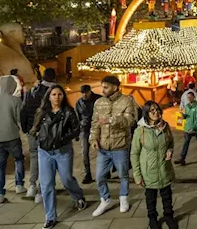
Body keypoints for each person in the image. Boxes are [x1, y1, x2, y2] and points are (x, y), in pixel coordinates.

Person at [29, 85, 86, 229]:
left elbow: (76, 130)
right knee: (46, 184)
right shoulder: (41, 112)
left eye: (59, 94)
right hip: (45, 152)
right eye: (54, 94)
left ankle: (78, 196)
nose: (56, 97)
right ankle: (50, 217)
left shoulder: (68, 112)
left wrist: (61, 139)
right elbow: (34, 129)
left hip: (63, 151)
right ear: (49, 96)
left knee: (66, 179)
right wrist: (39, 138)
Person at [90, 76, 138, 217]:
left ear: (115, 87)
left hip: (120, 146)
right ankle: (105, 199)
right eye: (102, 86)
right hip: (103, 148)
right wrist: (93, 139)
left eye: (106, 87)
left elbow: (131, 120)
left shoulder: (127, 101)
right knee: (99, 177)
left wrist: (112, 120)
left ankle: (124, 198)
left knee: (123, 174)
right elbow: (95, 123)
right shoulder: (99, 102)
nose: (102, 89)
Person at [131, 101, 178, 229]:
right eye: (152, 111)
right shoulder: (140, 131)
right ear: (146, 113)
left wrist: (169, 151)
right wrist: (137, 175)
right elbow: (134, 153)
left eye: (157, 109)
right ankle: (152, 218)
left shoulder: (165, 126)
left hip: (164, 168)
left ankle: (169, 215)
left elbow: (170, 143)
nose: (156, 112)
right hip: (148, 170)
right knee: (150, 197)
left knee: (167, 195)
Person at [0, 75, 26, 204]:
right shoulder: (15, 100)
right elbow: (20, 119)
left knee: (0, 166)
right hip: (12, 135)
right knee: (18, 159)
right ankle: (19, 185)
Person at [21, 67, 56, 203]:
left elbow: (23, 110)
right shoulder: (55, 92)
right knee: (47, 159)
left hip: (32, 130)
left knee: (35, 156)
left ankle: (31, 186)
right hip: (48, 131)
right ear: (53, 77)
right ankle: (42, 190)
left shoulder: (32, 92)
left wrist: (26, 128)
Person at [75, 85, 101, 184]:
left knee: (101, 151)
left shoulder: (98, 99)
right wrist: (77, 132)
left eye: (86, 92)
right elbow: (78, 117)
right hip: (84, 129)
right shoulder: (79, 102)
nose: (84, 95)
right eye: (82, 93)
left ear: (90, 91)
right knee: (84, 152)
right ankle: (88, 174)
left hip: (98, 128)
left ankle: (104, 172)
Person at [174, 92, 197, 166]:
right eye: (188, 97)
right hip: (187, 128)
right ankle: (182, 158)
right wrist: (184, 116)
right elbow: (188, 116)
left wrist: (194, 127)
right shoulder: (187, 106)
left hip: (194, 129)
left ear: (194, 97)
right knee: (186, 143)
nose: (189, 99)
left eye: (190, 97)